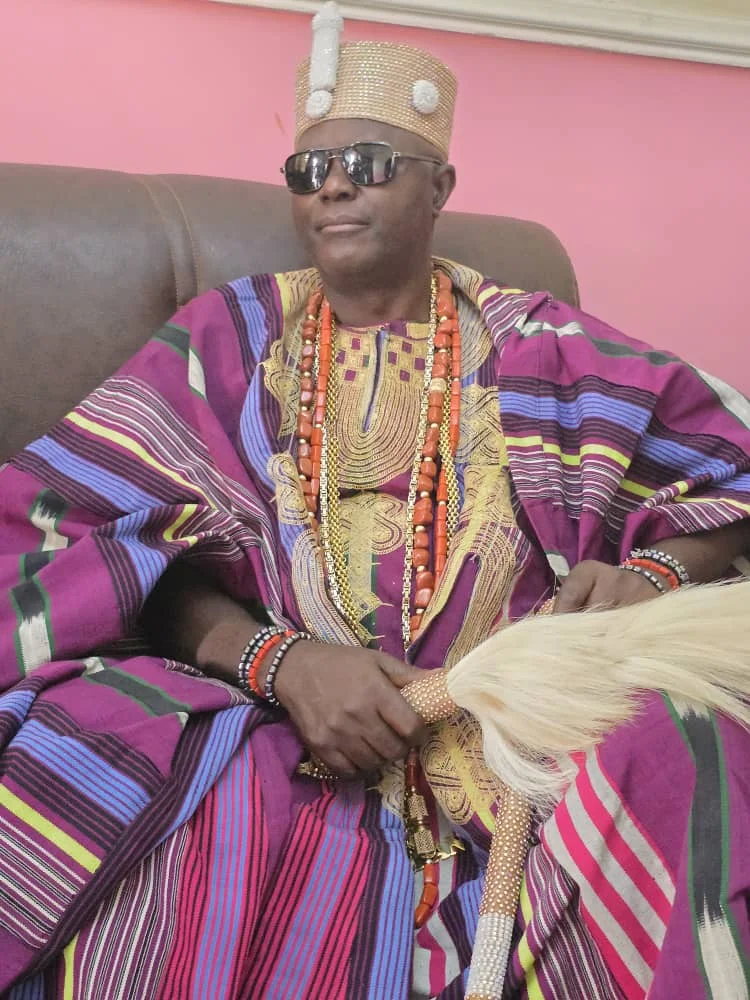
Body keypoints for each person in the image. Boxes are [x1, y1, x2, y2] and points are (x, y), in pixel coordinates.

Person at [1, 3, 749, 997]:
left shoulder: (544, 344)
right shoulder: (229, 338)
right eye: (309, 168)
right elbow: (85, 533)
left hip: (531, 725)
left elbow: (728, 477)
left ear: (441, 186)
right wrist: (278, 660)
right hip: (284, 723)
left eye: (369, 162)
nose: (335, 184)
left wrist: (651, 573)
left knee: (688, 737)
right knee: (118, 751)